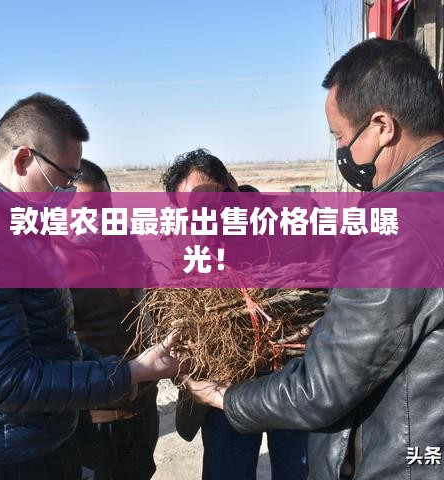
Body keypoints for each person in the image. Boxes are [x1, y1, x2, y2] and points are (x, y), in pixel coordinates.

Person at [180, 39, 444, 480]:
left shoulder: (399, 227)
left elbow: (323, 386)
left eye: (340, 136)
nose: (342, 151)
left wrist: (224, 397)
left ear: (382, 126)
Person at [0, 93, 179, 479]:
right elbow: (7, 380)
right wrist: (129, 373)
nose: (64, 196)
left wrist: (116, 370)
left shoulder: (20, 226)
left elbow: (54, 341)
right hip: (7, 454)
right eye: (62, 181)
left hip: (41, 437)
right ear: (23, 159)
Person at [161, 148, 309, 480]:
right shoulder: (189, 244)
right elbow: (178, 317)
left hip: (293, 383)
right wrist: (187, 373)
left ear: (230, 181)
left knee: (299, 471)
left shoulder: (293, 218)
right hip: (227, 386)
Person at [53, 159, 160, 480]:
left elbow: (154, 300)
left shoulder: (125, 240)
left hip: (141, 409)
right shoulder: (45, 256)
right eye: (87, 210)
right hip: (88, 422)